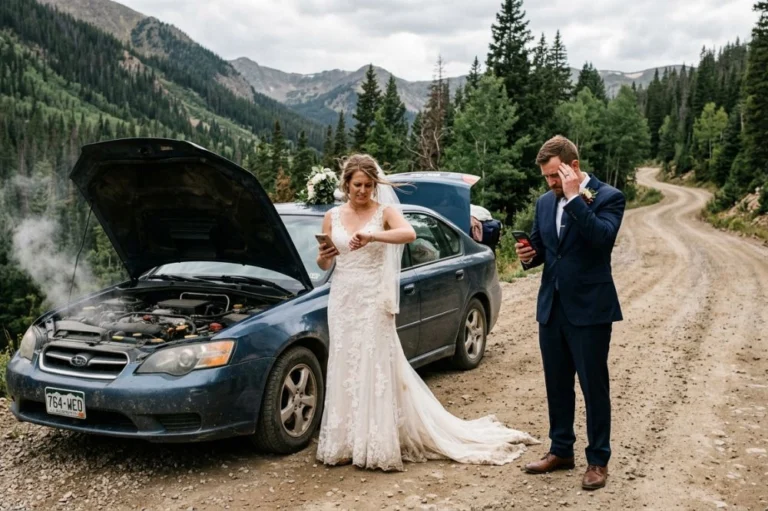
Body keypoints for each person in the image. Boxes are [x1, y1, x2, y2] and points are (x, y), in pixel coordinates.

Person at [315, 154, 539, 471]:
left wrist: (373, 235)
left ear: (374, 185)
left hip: (373, 300)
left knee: (374, 365)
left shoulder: (384, 212)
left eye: (367, 185)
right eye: (357, 186)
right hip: (343, 299)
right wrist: (324, 255)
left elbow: (408, 233)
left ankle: (375, 441)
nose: (362, 191)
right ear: (346, 185)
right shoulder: (333, 216)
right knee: (345, 363)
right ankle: (345, 441)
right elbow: (325, 263)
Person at [515, 135, 625, 490]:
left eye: (554, 176)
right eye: (546, 178)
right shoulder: (545, 203)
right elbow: (545, 250)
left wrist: (577, 197)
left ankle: (598, 460)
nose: (549, 184)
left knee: (594, 386)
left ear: (572, 167)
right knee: (557, 383)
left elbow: (601, 239)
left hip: (591, 309)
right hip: (552, 307)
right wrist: (528, 255)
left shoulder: (609, 197)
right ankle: (561, 449)